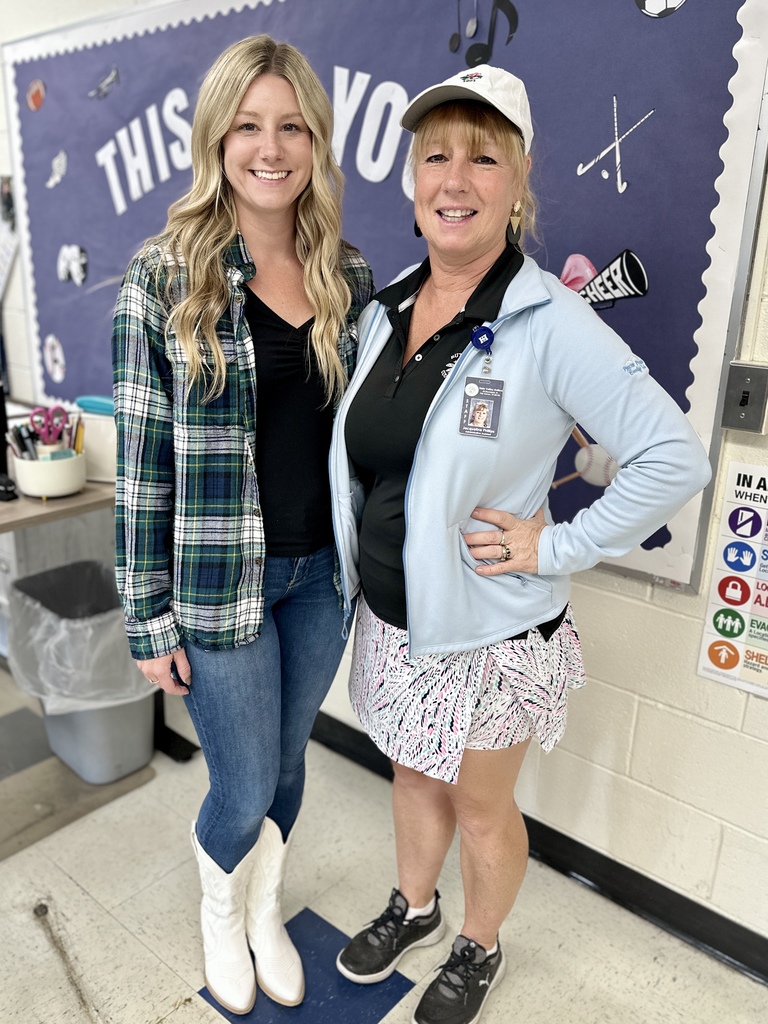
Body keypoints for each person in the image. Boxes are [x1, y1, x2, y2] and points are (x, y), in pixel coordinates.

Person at [329, 65, 711, 1024]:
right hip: (393, 618)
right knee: (412, 769)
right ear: (413, 178)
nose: (455, 179)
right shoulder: (386, 309)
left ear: (520, 178)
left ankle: (477, 945)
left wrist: (555, 548)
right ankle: (413, 908)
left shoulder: (550, 322)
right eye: (436, 156)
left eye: (483, 157)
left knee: (481, 804)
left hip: (493, 637)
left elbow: (674, 457)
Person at [112, 35, 373, 1016]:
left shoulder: (345, 271)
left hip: (321, 576)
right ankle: (222, 909)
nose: (271, 147)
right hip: (221, 580)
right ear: (218, 138)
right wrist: (148, 622)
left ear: (316, 140)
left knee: (294, 759)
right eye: (249, 126)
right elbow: (140, 471)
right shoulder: (162, 277)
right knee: (244, 776)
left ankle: (266, 908)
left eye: (292, 126)